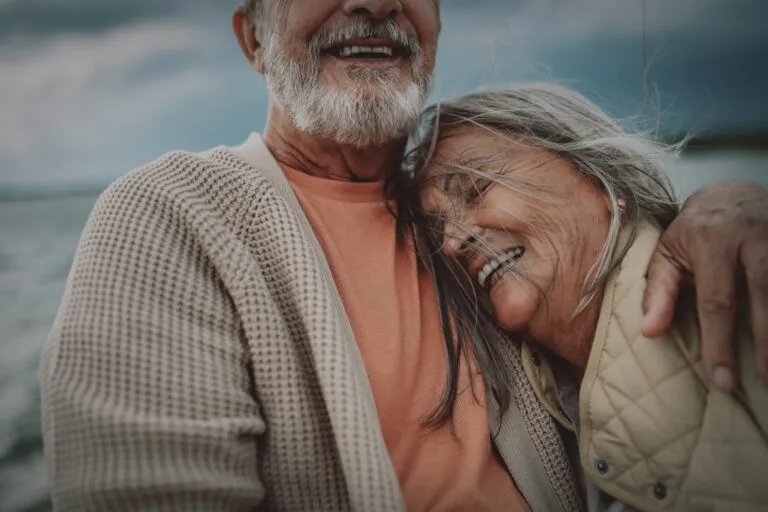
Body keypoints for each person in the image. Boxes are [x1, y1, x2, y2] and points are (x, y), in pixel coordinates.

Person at [39, 1, 768, 510]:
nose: (375, 0)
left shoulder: (462, 232)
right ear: (253, 37)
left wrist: (710, 206)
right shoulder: (171, 214)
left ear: (437, 23)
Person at [412, 83, 768, 511]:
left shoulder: (737, 288)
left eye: (476, 188)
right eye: (436, 232)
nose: (451, 242)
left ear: (598, 177)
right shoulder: (536, 401)